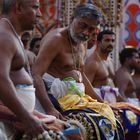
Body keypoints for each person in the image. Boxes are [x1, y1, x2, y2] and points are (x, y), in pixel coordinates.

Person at [32, 3, 126, 140]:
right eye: (82, 25)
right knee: (89, 126)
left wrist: (103, 103)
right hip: (52, 98)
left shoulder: (83, 41)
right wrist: (50, 109)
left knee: (113, 119)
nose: (86, 32)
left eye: (91, 29)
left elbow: (81, 77)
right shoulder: (56, 40)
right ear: (72, 19)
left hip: (76, 98)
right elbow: (36, 75)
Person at [0, 0, 82, 140]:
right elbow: (1, 80)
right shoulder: (4, 37)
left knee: (74, 132)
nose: (39, 14)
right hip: (11, 119)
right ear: (19, 8)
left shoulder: (12, 35)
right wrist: (26, 118)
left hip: (21, 116)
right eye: (35, 8)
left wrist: (34, 116)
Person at [85, 30, 124, 103]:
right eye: (107, 40)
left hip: (112, 103)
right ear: (99, 43)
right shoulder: (92, 62)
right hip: (99, 104)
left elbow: (112, 86)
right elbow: (86, 89)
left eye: (112, 41)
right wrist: (102, 104)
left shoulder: (110, 61)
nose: (110, 43)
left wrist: (124, 102)